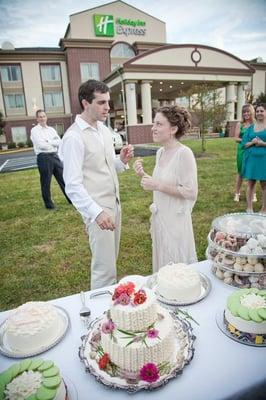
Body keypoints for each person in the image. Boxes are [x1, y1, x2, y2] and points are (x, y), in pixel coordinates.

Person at [60, 79, 134, 289]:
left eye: (108, 102)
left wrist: (122, 161)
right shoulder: (74, 137)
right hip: (97, 211)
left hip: (115, 205)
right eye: (102, 102)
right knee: (104, 270)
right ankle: (100, 316)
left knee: (111, 262)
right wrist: (97, 213)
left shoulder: (103, 130)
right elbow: (72, 185)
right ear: (85, 103)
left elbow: (106, 166)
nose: (108, 107)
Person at [134, 105, 198, 273]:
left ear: (173, 129)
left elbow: (191, 192)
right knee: (163, 268)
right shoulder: (160, 152)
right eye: (154, 124)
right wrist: (143, 175)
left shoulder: (184, 154)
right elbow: (163, 182)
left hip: (176, 222)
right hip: (161, 219)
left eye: (159, 124)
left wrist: (157, 185)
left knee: (177, 270)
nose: (153, 128)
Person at [30, 109, 71, 209]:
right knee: (46, 182)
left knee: (63, 178)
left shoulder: (51, 130)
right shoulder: (35, 130)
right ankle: (49, 205)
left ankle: (71, 199)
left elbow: (59, 142)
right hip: (43, 157)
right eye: (40, 117)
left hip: (54, 156)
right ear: (37, 119)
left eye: (44, 116)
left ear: (46, 117)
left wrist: (48, 141)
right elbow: (41, 145)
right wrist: (52, 143)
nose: (42, 118)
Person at [242, 103, 266, 213]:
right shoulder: (251, 128)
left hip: (264, 159)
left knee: (264, 184)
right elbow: (244, 144)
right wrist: (252, 142)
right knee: (250, 183)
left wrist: (262, 143)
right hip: (252, 159)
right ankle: (249, 208)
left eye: (262, 111)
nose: (259, 113)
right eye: (257, 111)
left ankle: (264, 209)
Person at [234, 104, 256, 202]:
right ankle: (237, 193)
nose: (246, 114)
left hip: (253, 150)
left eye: (248, 111)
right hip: (242, 150)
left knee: (252, 172)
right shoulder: (240, 124)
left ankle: (253, 193)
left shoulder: (256, 124)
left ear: (252, 112)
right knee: (241, 172)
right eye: (244, 112)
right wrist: (246, 141)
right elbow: (236, 138)